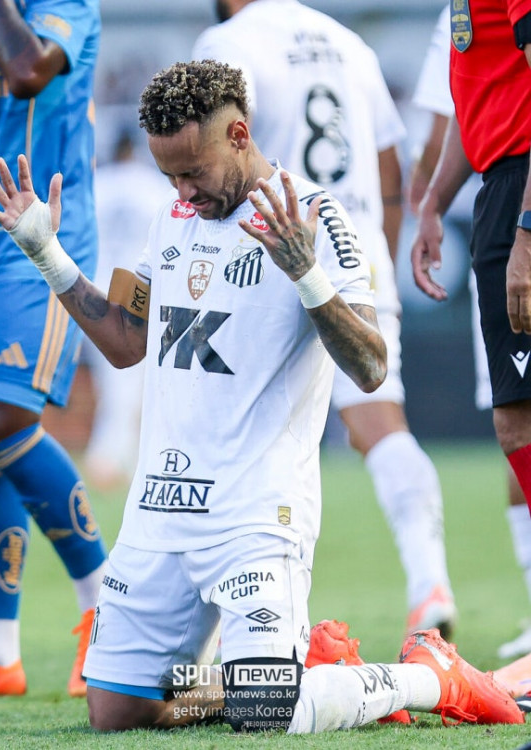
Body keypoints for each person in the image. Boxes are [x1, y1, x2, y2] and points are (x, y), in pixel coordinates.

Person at [0, 59, 523, 732]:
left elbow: (371, 368)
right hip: (159, 512)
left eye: (193, 172)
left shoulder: (316, 217)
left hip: (255, 517)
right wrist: (47, 253)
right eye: (170, 176)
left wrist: (305, 273)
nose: (183, 190)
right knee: (118, 711)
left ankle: (427, 676)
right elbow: (125, 341)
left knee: (265, 710)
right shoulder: (171, 217)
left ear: (239, 134)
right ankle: (280, 672)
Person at [192, 0, 456, 638]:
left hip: (265, 253)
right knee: (378, 421)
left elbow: (212, 156)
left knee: (230, 424)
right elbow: (389, 164)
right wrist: (372, 257)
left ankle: (225, 613)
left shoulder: (229, 40)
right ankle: (429, 583)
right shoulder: (349, 44)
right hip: (350, 245)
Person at [0, 0, 107, 698]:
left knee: (2, 419)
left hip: (34, 244)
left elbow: (29, 71)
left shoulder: (64, 8)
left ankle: (107, 612)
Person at [410, 3, 531, 661]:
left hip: (522, 190)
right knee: (518, 419)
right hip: (498, 185)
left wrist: (527, 232)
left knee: (521, 420)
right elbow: (477, 99)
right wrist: (435, 199)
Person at [82, 129, 170, 490]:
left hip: (94, 292)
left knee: (114, 385)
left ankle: (122, 460)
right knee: (134, 387)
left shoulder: (97, 186)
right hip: (137, 291)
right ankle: (107, 459)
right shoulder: (153, 186)